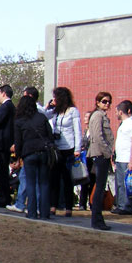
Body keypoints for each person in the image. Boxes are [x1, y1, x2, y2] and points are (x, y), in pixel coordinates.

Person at [13, 95, 53, 220]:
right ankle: (45, 212)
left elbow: (18, 142)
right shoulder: (42, 117)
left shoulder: (19, 121)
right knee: (44, 183)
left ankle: (32, 212)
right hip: (43, 152)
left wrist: (18, 157)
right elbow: (50, 135)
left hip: (29, 153)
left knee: (31, 183)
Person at [45, 87, 82, 217]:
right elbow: (44, 115)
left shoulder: (73, 111)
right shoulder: (55, 112)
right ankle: (53, 205)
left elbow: (77, 130)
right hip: (57, 148)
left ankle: (68, 207)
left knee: (67, 179)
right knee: (54, 177)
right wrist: (48, 106)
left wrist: (77, 148)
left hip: (69, 147)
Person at [87, 92, 114, 230]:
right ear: (97, 102)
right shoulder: (98, 115)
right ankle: (97, 219)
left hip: (100, 154)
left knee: (100, 186)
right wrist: (107, 152)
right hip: (100, 154)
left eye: (109, 101)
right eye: (104, 101)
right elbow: (98, 135)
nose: (107, 104)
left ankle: (97, 219)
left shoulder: (101, 115)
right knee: (99, 187)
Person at [111, 100, 132, 215]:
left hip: (127, 159)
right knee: (120, 184)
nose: (115, 114)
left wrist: (131, 160)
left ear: (121, 112)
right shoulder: (123, 124)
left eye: (116, 112)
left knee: (127, 184)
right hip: (120, 159)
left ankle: (126, 206)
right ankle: (121, 205)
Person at [77, 110, 96, 211]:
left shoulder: (94, 131)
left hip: (92, 159)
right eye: (85, 117)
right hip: (84, 159)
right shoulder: (84, 132)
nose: (86, 119)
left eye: (88, 117)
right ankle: (82, 203)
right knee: (84, 181)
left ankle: (92, 202)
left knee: (92, 181)